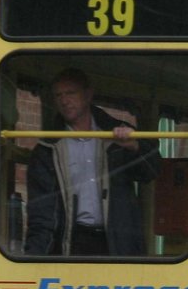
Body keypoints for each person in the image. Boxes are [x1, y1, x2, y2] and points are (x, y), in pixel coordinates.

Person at [23, 68, 160, 256]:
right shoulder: (48, 148)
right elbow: (41, 212)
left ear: (88, 95)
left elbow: (151, 173)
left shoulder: (118, 134)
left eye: (70, 93)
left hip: (118, 242)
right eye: (58, 95)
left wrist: (134, 146)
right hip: (72, 243)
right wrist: (34, 259)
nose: (64, 101)